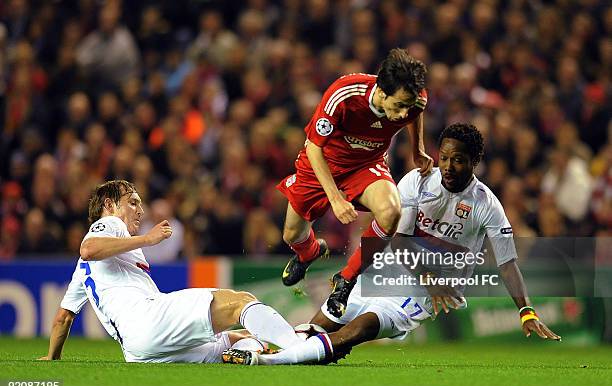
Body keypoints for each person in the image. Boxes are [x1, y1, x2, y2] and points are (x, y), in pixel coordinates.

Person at [223, 123, 561, 366]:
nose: (447, 166)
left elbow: (507, 262)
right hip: (397, 268)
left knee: (367, 324)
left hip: (428, 292)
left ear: (475, 161)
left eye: (458, 160)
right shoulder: (418, 180)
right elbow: (398, 240)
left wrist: (525, 309)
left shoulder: (487, 205)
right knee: (326, 322)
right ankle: (249, 345)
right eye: (444, 157)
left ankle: (279, 360)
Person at [39, 180, 304, 363]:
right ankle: (301, 348)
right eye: (132, 203)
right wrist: (147, 239)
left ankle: (259, 350)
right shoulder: (109, 223)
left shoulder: (81, 273)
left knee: (237, 338)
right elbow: (88, 248)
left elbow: (63, 318)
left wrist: (53, 357)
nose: (140, 210)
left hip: (137, 352)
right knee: (240, 302)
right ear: (109, 205)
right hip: (147, 320)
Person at [278, 48, 434, 318]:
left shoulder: (415, 99)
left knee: (391, 212)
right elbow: (315, 149)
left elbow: (414, 113)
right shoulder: (344, 94)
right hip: (322, 163)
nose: (401, 114)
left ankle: (346, 280)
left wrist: (417, 149)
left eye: (408, 107)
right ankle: (310, 253)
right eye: (398, 106)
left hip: (366, 164)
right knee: (292, 235)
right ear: (381, 92)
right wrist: (336, 199)